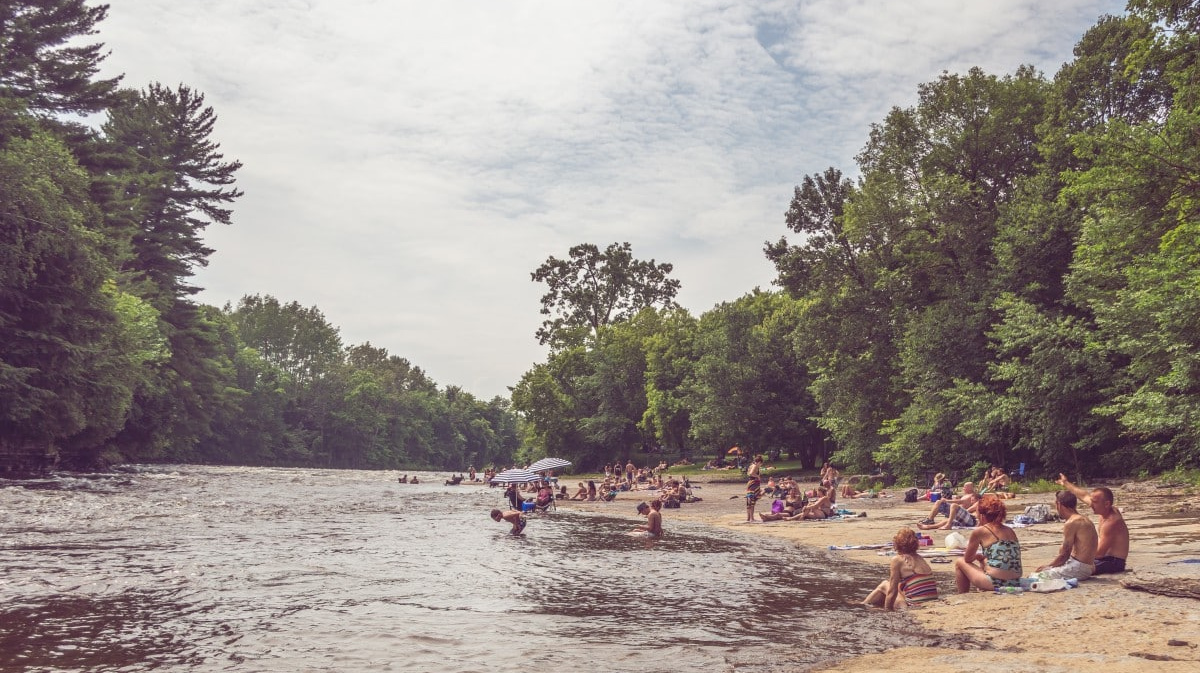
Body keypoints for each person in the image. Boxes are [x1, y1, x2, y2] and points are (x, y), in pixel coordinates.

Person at [1056, 474, 1129, 575]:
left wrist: (1075, 550)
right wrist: (1066, 483)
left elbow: (1099, 554)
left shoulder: (1112, 522)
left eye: (1094, 502)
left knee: (1078, 567)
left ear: (1106, 504)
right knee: (1071, 561)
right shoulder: (1104, 509)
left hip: (1113, 562)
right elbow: (1083, 495)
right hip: (1104, 558)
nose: (1090, 504)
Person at [953, 495, 1023, 592]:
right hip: (1016, 581)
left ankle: (963, 594)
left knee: (959, 562)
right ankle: (982, 588)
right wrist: (982, 558)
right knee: (985, 559)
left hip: (995, 582)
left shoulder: (980, 531)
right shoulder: (1010, 530)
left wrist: (976, 557)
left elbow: (967, 559)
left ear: (982, 515)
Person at [1032, 490, 1098, 582]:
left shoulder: (1071, 522)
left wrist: (1048, 566)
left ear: (1059, 504)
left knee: (1036, 577)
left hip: (1079, 568)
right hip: (1087, 566)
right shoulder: (1084, 519)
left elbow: (1064, 555)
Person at [864, 528, 938, 609]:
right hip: (930, 603)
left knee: (885, 584)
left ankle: (863, 604)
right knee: (898, 586)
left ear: (897, 544)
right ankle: (867, 603)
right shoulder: (920, 558)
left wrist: (887, 612)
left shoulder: (898, 560)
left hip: (914, 606)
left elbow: (892, 592)